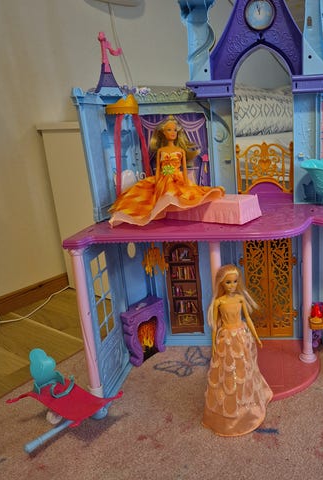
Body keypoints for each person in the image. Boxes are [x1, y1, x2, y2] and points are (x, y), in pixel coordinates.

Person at [109, 116, 224, 226]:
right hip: (162, 178)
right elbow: (158, 168)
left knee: (177, 193)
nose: (173, 132)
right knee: (145, 194)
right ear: (163, 132)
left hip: (176, 178)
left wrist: (185, 182)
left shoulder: (180, 151)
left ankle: (172, 208)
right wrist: (157, 181)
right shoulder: (161, 151)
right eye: (169, 130)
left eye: (175, 130)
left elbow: (184, 168)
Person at [202, 265, 273, 436]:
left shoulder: (240, 299)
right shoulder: (219, 302)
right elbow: (215, 327)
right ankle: (230, 408)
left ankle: (247, 404)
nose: (232, 285)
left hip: (241, 335)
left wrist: (256, 337)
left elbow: (248, 318)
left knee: (244, 367)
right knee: (228, 371)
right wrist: (213, 345)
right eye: (228, 282)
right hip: (226, 338)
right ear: (221, 283)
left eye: (234, 282)